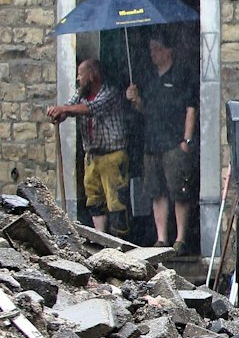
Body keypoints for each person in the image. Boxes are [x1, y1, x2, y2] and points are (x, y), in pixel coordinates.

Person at [126, 33, 197, 252]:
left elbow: (190, 108)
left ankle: (181, 238)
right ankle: (162, 238)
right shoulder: (148, 78)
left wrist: (186, 139)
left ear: (169, 51)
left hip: (174, 141)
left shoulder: (182, 75)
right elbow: (144, 111)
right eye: (151, 50)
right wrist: (135, 100)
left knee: (179, 190)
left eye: (157, 49)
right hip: (152, 141)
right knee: (157, 191)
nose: (153, 54)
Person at [45, 59, 129, 233]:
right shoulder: (81, 93)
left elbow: (90, 108)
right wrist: (59, 114)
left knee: (116, 201)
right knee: (94, 199)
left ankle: (120, 242)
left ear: (92, 75)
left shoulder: (109, 93)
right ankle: (101, 236)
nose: (78, 78)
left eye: (81, 74)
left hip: (112, 154)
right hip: (92, 155)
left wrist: (64, 110)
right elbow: (69, 107)